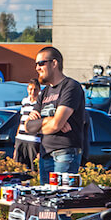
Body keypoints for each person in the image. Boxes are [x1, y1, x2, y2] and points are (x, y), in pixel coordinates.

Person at [25, 47, 85, 184]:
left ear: (54, 63)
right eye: (36, 64)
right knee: (45, 199)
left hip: (65, 154)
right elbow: (28, 126)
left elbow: (57, 124)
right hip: (45, 154)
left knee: (60, 198)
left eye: (41, 63)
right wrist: (49, 121)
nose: (37, 68)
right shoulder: (45, 92)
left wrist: (43, 123)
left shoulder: (71, 87)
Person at [13, 78, 41, 169]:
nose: (32, 92)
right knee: (19, 168)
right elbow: (21, 121)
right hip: (21, 139)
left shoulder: (41, 104)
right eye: (30, 89)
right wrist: (16, 140)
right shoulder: (25, 101)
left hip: (33, 141)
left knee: (33, 169)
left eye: (35, 89)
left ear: (39, 90)